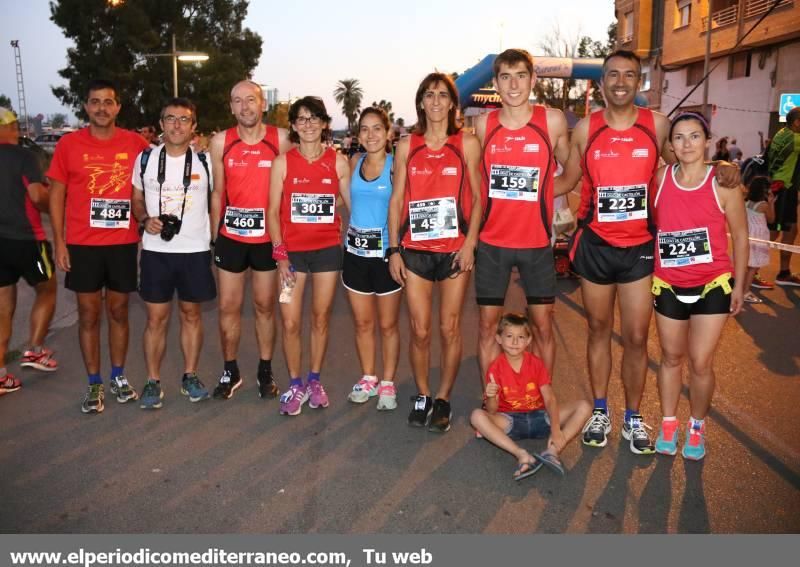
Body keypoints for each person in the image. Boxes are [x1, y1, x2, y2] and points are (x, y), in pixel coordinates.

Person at [555, 50, 739, 454]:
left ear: (639, 82)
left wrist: (720, 166)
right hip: (596, 245)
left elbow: (685, 163)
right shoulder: (587, 128)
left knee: (637, 337)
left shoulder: (656, 125)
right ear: (601, 83)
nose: (621, 81)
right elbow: (567, 178)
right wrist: (518, 190)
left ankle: (633, 417)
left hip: (640, 247)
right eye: (613, 75)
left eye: (629, 74)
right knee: (598, 330)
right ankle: (601, 409)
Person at [48, 79, 149, 414]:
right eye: (95, 102)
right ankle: (94, 383)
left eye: (108, 102)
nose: (102, 108)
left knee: (119, 311)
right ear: (86, 106)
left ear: (118, 107)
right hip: (82, 244)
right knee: (89, 315)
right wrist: (59, 242)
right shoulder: (68, 145)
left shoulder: (135, 144)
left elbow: (157, 180)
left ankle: (118, 375)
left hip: (122, 244)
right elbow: (57, 194)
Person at [387, 73, 482, 433]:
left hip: (455, 250)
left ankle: (443, 397)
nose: (437, 101)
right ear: (421, 102)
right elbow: (396, 199)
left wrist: (471, 242)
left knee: (450, 326)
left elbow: (480, 195)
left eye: (443, 95)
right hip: (414, 249)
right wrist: (393, 249)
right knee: (421, 329)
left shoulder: (467, 143)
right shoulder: (407, 145)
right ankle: (423, 394)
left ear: (453, 103)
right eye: (430, 95)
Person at [651, 112, 748, 461]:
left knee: (701, 362)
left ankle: (696, 426)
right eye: (679, 137)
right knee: (671, 358)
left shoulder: (722, 182)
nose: (687, 144)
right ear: (671, 144)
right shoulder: (661, 178)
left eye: (694, 136)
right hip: (668, 283)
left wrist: (738, 285)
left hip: (712, 284)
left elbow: (739, 234)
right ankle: (667, 423)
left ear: (706, 140)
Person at [474, 49, 570, 381]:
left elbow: (572, 171)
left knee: (543, 328)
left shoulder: (552, 120)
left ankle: (541, 397)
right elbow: (476, 183)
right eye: (505, 76)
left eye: (520, 75)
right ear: (496, 83)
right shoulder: (483, 124)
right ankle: (492, 398)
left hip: (536, 243)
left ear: (533, 79)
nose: (513, 84)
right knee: (487, 327)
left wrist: (545, 193)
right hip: (492, 242)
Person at [267, 96, 351, 416]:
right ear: (293, 126)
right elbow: (272, 211)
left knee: (320, 318)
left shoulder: (338, 161)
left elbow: (350, 203)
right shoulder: (282, 162)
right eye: (301, 119)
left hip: (327, 251)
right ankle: (294, 382)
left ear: (325, 123)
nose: (308, 124)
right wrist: (281, 254)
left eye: (314, 118)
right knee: (290, 321)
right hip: (292, 256)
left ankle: (314, 379)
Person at [208, 80, 291, 400]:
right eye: (238, 101)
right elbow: (218, 193)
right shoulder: (220, 142)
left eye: (251, 100)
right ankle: (230, 370)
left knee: (264, 306)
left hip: (268, 238)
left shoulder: (281, 139)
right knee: (228, 306)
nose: (245, 107)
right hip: (230, 236)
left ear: (263, 104)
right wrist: (216, 240)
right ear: (231, 107)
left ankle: (265, 370)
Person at [131, 98, 216, 409]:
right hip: (156, 252)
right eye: (171, 119)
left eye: (184, 119)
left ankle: (189, 376)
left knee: (192, 315)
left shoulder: (207, 162)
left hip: (194, 249)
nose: (177, 125)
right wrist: (143, 219)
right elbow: (136, 198)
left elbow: (218, 200)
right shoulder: (145, 160)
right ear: (161, 124)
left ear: (194, 127)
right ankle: (152, 381)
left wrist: (216, 238)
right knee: (156, 319)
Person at [470, 313, 591, 480]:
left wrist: (556, 429)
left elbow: (549, 399)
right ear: (499, 339)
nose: (514, 342)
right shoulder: (495, 368)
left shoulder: (536, 364)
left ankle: (552, 451)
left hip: (541, 417)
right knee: (476, 416)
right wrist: (490, 396)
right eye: (509, 336)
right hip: (510, 421)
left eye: (520, 337)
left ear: (528, 341)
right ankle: (521, 454)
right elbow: (492, 410)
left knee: (584, 406)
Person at [343, 107, 401, 410]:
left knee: (388, 325)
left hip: (386, 257)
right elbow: (349, 203)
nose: (371, 135)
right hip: (355, 254)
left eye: (377, 128)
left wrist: (397, 250)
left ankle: (388, 382)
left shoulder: (396, 166)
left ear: (388, 132)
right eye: (364, 129)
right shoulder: (354, 161)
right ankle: (369, 376)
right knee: (363, 323)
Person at [0, 107, 58, 395]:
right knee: (47, 289)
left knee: (3, 308)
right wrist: (55, 208)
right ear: (11, 128)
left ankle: (1, 375)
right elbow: (37, 195)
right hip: (27, 239)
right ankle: (35, 349)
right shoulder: (25, 156)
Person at [766, 106, 800, 286]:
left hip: (781, 187)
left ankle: (784, 272)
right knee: (773, 232)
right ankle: (749, 271)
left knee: (789, 229)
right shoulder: (795, 138)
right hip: (784, 189)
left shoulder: (781, 133)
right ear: (797, 123)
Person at [742, 177, 775, 304]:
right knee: (753, 267)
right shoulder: (763, 205)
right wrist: (771, 203)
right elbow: (771, 219)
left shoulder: (746, 202)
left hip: (747, 235)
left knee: (744, 264)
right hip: (758, 238)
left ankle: (738, 288)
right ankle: (745, 292)